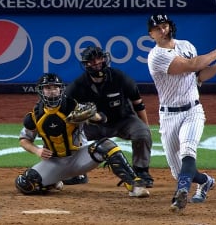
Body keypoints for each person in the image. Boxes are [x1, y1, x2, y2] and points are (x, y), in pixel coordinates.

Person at [147, 13, 216, 211]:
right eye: (157, 28)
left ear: (170, 26)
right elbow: (191, 65)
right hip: (168, 116)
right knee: (178, 171)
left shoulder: (186, 45)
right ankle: (205, 181)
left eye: (165, 25)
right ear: (151, 35)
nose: (163, 30)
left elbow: (198, 75)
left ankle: (181, 192)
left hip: (193, 111)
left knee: (188, 151)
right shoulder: (156, 56)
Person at [15, 73, 150, 198]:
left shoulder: (72, 106)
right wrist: (37, 150)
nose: (52, 91)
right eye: (48, 88)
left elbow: (102, 119)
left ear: (61, 89)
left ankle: (134, 184)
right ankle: (53, 181)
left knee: (106, 145)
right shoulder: (35, 116)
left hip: (81, 157)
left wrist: (93, 115)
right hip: (55, 162)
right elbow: (24, 140)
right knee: (24, 184)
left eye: (55, 88)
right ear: (41, 91)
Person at [65, 46, 154, 188]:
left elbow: (138, 103)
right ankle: (77, 173)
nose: (97, 62)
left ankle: (141, 172)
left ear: (104, 58)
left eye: (99, 58)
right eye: (92, 61)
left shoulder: (120, 78)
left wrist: (146, 127)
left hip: (123, 120)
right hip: (93, 125)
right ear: (86, 64)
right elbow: (64, 108)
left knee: (142, 133)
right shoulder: (78, 85)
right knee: (68, 134)